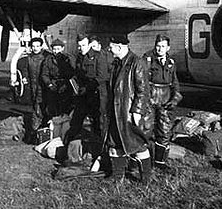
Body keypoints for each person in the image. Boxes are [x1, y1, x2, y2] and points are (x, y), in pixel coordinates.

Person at [105, 35, 151, 182]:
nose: (110, 49)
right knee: (114, 143)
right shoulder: (116, 63)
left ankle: (146, 178)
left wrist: (137, 111)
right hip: (116, 112)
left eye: (111, 46)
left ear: (119, 47)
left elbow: (143, 91)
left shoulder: (137, 63)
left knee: (137, 145)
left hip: (128, 113)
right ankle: (117, 177)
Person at [143, 34, 182, 169]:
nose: (160, 49)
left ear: (168, 48)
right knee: (146, 129)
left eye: (163, 46)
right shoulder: (147, 59)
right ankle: (144, 161)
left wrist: (175, 97)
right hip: (150, 97)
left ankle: (160, 162)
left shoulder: (171, 62)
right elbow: (142, 80)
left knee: (165, 130)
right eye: (158, 46)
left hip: (166, 99)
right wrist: (145, 99)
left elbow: (174, 82)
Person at [65, 34, 109, 143]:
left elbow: (102, 77)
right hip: (83, 95)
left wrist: (87, 87)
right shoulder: (80, 57)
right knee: (76, 119)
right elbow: (79, 73)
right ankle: (69, 145)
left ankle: (99, 148)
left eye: (83, 45)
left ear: (90, 44)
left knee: (98, 123)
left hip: (96, 95)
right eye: (79, 46)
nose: (81, 48)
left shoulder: (99, 56)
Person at [21, 37, 49, 143]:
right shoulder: (29, 58)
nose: (35, 48)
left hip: (44, 86)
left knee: (39, 108)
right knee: (35, 106)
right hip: (33, 86)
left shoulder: (46, 57)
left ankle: (36, 132)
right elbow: (25, 70)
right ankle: (39, 132)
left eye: (37, 46)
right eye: (33, 46)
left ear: (41, 46)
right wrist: (24, 77)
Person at [41, 38, 75, 118]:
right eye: (54, 49)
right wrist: (49, 84)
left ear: (62, 48)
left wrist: (66, 84)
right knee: (53, 108)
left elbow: (73, 72)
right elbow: (44, 74)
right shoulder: (48, 59)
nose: (56, 51)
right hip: (53, 85)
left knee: (66, 108)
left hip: (65, 86)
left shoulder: (69, 58)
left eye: (58, 49)